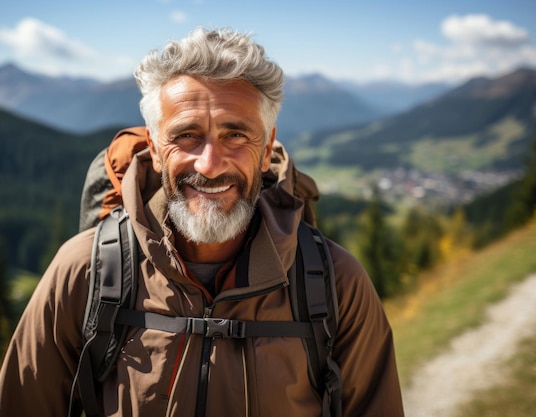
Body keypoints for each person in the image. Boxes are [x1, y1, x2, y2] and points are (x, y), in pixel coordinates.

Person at [0, 27, 404, 416]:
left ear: (265, 151)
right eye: (187, 136)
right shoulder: (84, 271)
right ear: (157, 152)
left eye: (235, 136)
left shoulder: (336, 283)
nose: (210, 166)